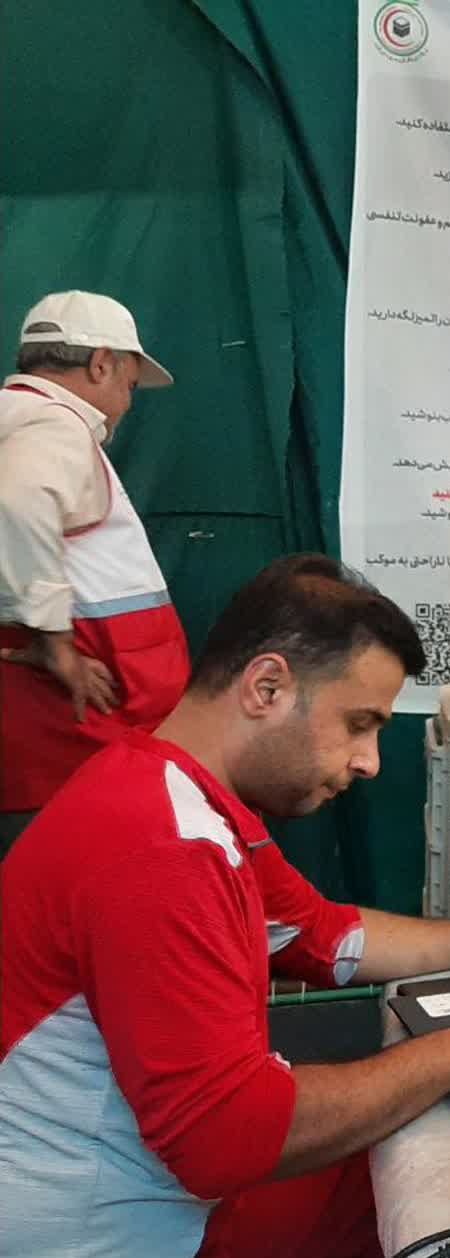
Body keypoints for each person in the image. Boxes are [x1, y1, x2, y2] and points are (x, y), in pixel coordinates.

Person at [0, 555, 450, 1258]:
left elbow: (332, 938)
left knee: (412, 1169)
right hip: (110, 1250)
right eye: (358, 724)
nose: (370, 762)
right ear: (267, 687)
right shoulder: (163, 851)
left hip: (156, 1193)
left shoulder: (171, 790)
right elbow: (224, 1141)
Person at [0, 291, 191, 857]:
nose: (125, 406)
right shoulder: (54, 424)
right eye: (129, 386)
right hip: (70, 736)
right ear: (101, 364)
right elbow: (18, 500)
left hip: (39, 735)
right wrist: (54, 640)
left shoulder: (16, 422)